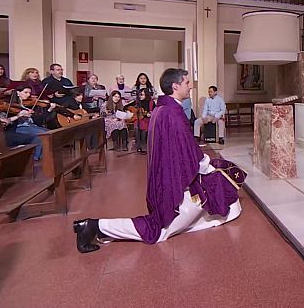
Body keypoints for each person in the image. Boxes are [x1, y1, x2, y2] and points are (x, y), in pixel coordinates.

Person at [73, 68, 242, 253]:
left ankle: (95, 226)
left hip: (166, 176)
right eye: (187, 83)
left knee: (221, 187)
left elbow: (182, 149)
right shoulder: (173, 114)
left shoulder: (163, 108)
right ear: (175, 86)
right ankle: (93, 226)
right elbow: (190, 152)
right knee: (158, 230)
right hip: (174, 184)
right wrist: (208, 165)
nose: (190, 86)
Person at [0, 83, 41, 158]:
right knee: (35, 138)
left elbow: (6, 121)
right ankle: (33, 161)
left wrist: (18, 116)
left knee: (38, 136)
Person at [134, 88, 155, 154]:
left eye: (142, 95)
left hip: (148, 120)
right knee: (136, 127)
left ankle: (144, 146)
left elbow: (155, 111)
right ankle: (138, 146)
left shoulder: (151, 102)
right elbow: (127, 108)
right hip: (138, 119)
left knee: (144, 128)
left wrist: (150, 114)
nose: (140, 96)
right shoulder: (137, 102)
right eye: (140, 95)